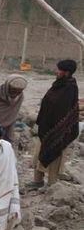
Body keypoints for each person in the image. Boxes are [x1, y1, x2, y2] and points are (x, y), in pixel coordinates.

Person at [30, 60, 79, 188]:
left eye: (58, 69)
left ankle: (53, 186)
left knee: (54, 157)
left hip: (58, 130)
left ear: (67, 72)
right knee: (39, 153)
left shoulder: (70, 87)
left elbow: (63, 110)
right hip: (46, 128)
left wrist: (56, 129)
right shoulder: (58, 84)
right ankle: (37, 181)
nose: (56, 71)